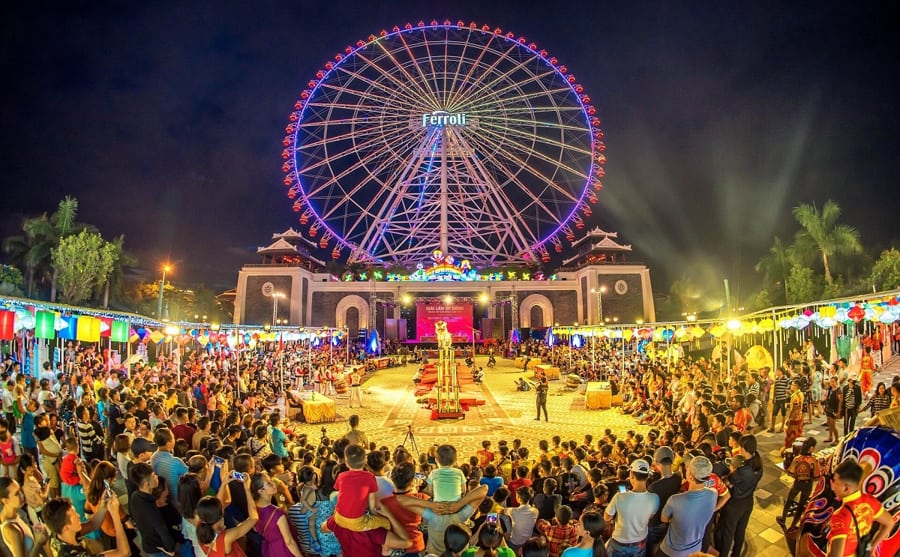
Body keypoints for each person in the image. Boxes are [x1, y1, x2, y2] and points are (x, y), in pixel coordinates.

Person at [826, 459, 893, 557]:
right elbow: (889, 522)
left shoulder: (841, 515)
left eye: (835, 481)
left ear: (846, 488)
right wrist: (872, 546)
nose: (832, 486)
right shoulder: (870, 501)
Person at [657, 456, 717, 557]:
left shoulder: (675, 500)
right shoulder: (713, 494)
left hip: (672, 551)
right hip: (695, 550)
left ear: (690, 477)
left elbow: (664, 519)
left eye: (688, 468)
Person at [714, 435, 762, 557]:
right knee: (740, 532)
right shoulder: (758, 463)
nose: (739, 449)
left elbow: (728, 481)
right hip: (748, 502)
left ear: (744, 448)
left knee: (727, 533)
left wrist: (731, 470)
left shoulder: (743, 471)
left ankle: (723, 554)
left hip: (735, 505)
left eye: (741, 447)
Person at [42, 495, 130, 557]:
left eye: (75, 512)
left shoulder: (58, 535)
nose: (78, 516)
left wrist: (103, 505)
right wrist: (115, 514)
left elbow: (93, 524)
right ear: (66, 528)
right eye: (74, 516)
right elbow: (124, 553)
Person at [129, 462, 184, 557]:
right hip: (159, 549)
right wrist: (171, 549)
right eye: (153, 476)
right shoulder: (150, 509)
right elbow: (163, 532)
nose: (157, 477)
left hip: (147, 543)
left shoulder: (135, 496)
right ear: (147, 484)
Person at [249, 473, 302, 557]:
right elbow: (289, 542)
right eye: (269, 483)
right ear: (260, 491)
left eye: (271, 481)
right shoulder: (277, 513)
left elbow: (255, 529)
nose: (274, 484)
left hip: (269, 550)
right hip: (284, 550)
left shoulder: (253, 510)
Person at [196, 487, 259, 557]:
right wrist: (247, 489)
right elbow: (254, 518)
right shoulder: (226, 538)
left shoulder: (201, 530)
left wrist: (224, 483)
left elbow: (215, 508)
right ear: (221, 515)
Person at [1, 477, 49, 557]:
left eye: (20, 490)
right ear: (5, 501)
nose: (22, 495)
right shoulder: (12, 530)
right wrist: (38, 543)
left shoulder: (15, 514)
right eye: (16, 494)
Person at [150, 427, 189, 508]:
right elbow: (190, 475)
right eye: (173, 438)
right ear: (168, 444)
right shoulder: (175, 461)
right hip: (176, 498)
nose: (175, 439)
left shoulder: (153, 457)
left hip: (162, 496)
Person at [784, 379, 805, 450]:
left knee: (792, 434)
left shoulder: (796, 396)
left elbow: (795, 408)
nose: (791, 386)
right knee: (798, 433)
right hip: (799, 416)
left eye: (792, 385)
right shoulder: (801, 393)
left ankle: (791, 448)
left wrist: (790, 418)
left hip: (794, 417)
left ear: (796, 386)